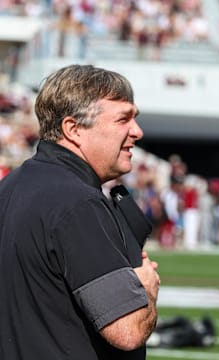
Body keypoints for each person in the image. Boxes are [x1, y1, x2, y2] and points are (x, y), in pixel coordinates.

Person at [0, 64, 160, 360]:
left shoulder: (11, 185)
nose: (137, 131)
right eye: (123, 119)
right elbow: (128, 330)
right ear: (73, 129)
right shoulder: (77, 203)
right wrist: (146, 289)